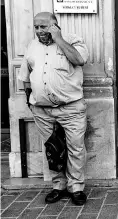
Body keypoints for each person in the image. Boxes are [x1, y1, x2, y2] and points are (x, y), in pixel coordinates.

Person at [18, 12, 89, 204]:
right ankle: (58, 185)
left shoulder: (72, 41)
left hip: (71, 108)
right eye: (37, 27)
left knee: (75, 148)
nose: (39, 31)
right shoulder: (32, 46)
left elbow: (80, 59)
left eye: (44, 26)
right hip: (42, 111)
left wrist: (58, 38)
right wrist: (30, 102)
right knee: (52, 149)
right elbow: (25, 77)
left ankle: (76, 188)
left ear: (55, 25)